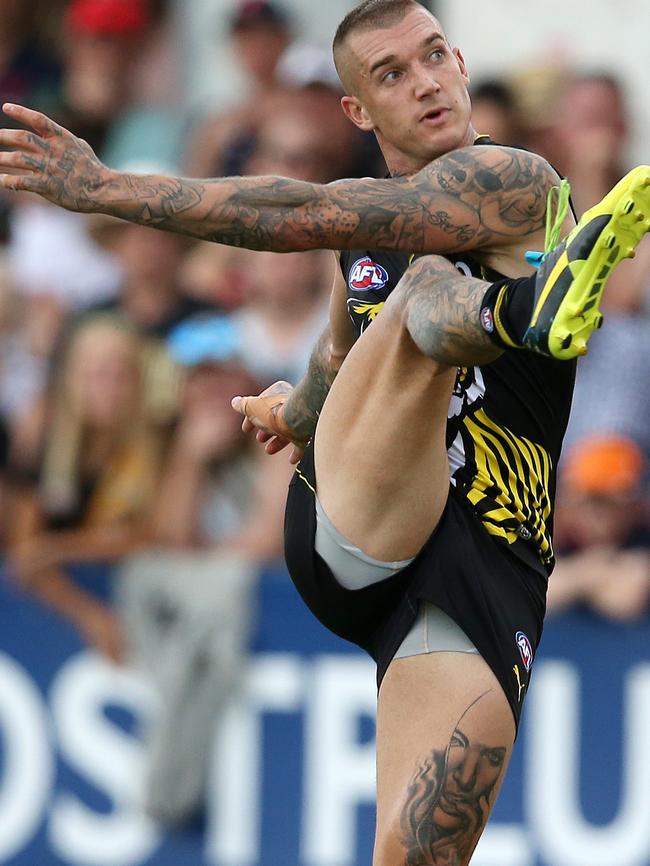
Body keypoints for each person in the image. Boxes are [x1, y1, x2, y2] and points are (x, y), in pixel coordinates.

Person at [0, 2, 650, 862]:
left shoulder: (511, 179)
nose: (424, 84)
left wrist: (300, 407)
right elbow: (321, 289)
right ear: (356, 110)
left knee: (416, 856)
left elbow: (324, 284)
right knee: (419, 292)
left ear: (460, 62)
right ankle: (530, 308)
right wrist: (107, 190)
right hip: (361, 520)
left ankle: (531, 309)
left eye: (432, 59)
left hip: (490, 570)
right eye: (391, 74)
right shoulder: (377, 234)